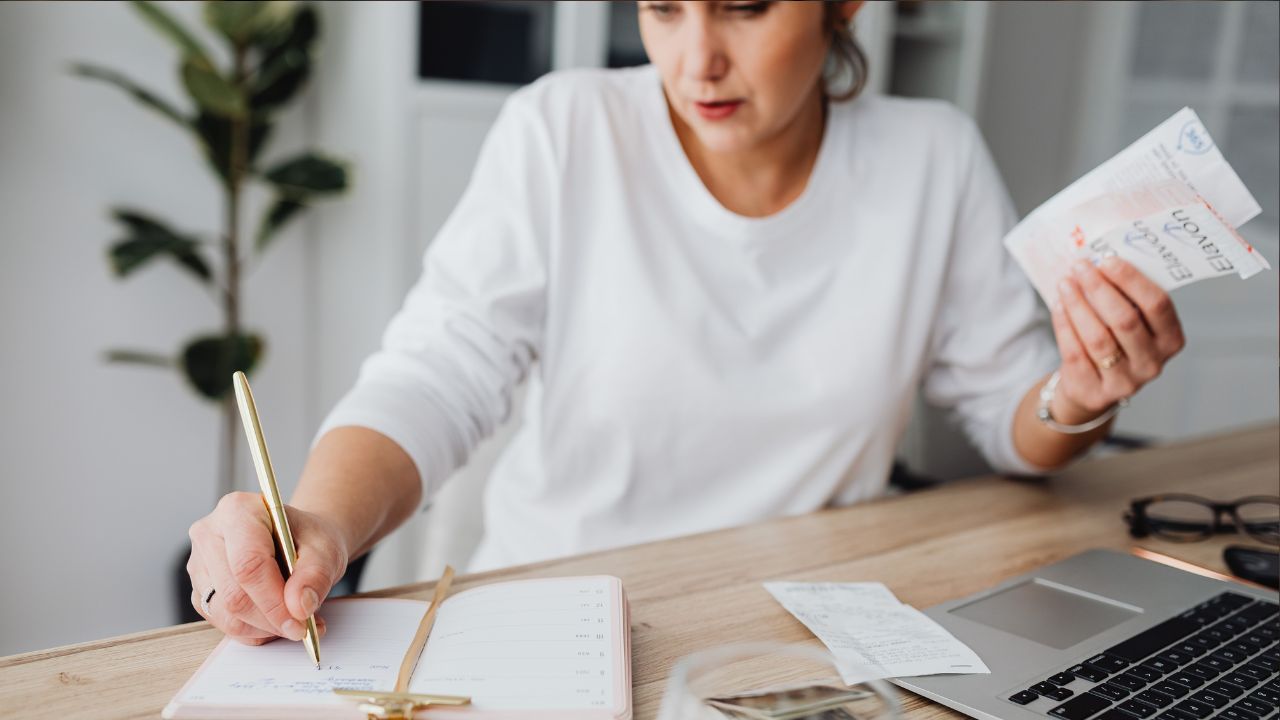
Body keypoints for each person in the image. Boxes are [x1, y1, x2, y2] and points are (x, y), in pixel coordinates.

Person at [186, 1, 1186, 645]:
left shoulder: (932, 159)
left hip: (808, 635)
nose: (695, 58)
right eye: (661, 8)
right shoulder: (564, 128)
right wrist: (316, 520)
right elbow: (439, 370)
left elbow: (1014, 418)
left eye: (744, 8)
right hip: (560, 629)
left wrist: (1075, 395)